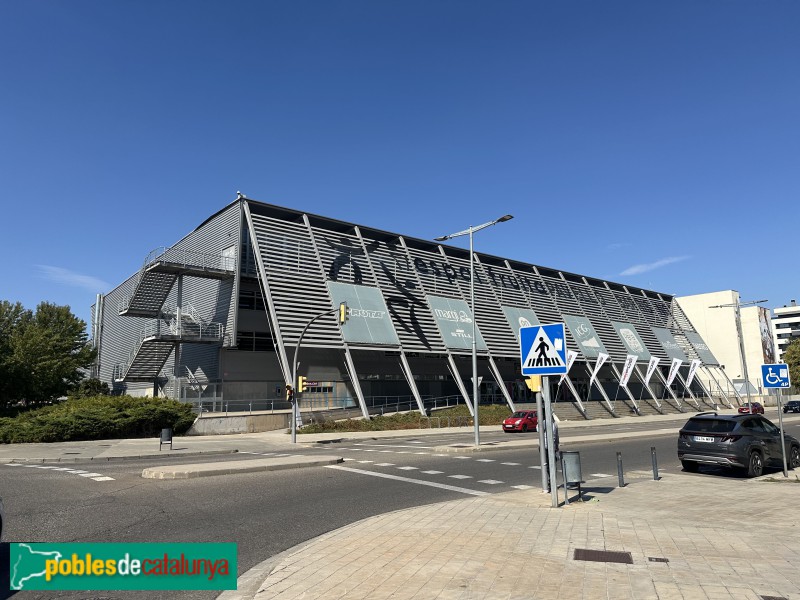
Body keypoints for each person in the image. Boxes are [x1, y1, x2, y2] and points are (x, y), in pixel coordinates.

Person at [541, 415, 560, 492]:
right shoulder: (544, 422)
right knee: (547, 465)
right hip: (545, 447)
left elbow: (557, 436)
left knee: (553, 465)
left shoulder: (555, 424)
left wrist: (557, 446)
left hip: (553, 447)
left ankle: (552, 481)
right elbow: (539, 430)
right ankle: (549, 482)